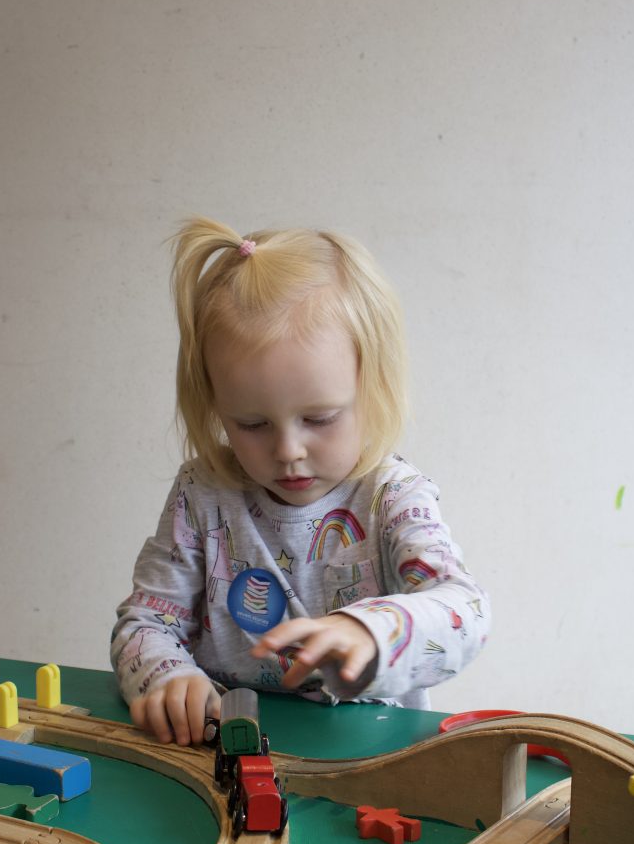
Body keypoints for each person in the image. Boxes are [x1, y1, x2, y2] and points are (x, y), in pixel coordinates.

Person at [111, 216, 489, 746]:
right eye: (252, 424)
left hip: (370, 758)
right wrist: (167, 678)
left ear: (372, 385)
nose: (288, 452)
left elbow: (465, 612)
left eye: (320, 418)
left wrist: (370, 629)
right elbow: (145, 623)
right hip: (226, 752)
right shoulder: (203, 493)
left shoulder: (392, 495)